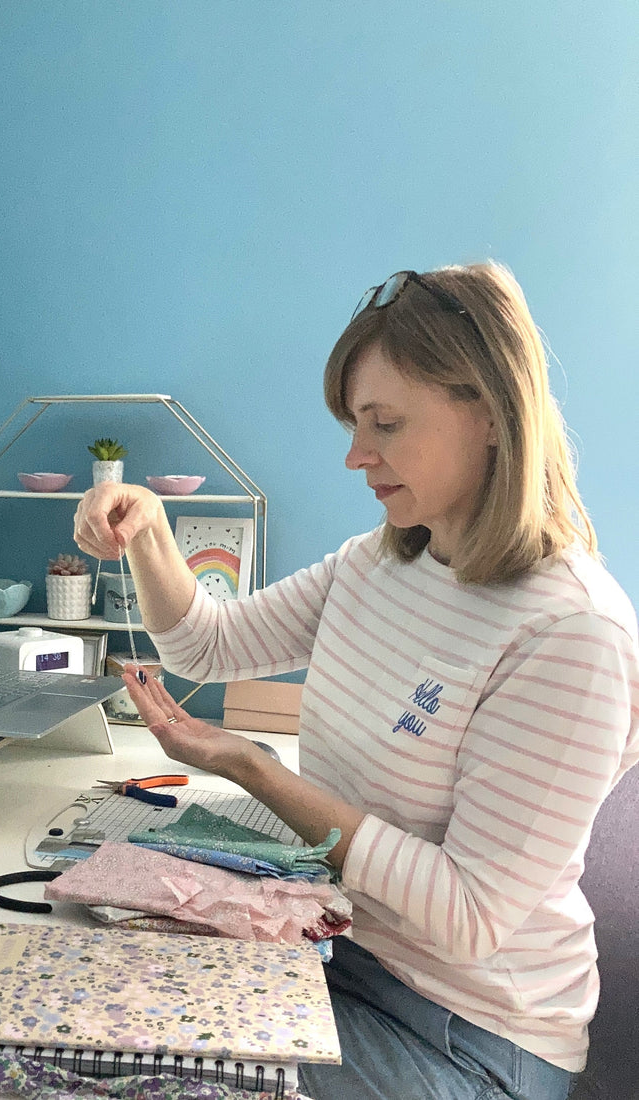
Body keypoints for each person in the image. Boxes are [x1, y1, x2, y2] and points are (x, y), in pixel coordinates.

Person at [72, 263, 639, 1100]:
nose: (354, 455)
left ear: (488, 410)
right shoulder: (382, 559)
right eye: (353, 423)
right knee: (102, 998)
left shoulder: (569, 633)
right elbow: (207, 644)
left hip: (472, 1037)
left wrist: (255, 768)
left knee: (161, 1070)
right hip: (344, 951)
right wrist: (151, 531)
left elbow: (466, 915)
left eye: (384, 423)